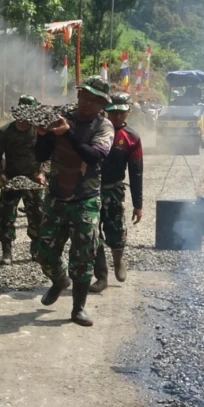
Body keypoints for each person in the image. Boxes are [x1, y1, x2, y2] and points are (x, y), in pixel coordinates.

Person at [33, 76, 114, 327]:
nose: (87, 103)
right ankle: (59, 279)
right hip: (56, 196)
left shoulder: (104, 127)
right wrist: (44, 135)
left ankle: (78, 308)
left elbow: (93, 157)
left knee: (83, 256)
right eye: (84, 97)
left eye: (95, 100)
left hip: (86, 200)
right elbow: (40, 154)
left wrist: (67, 134)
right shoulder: (62, 115)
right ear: (78, 95)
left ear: (102, 104)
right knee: (42, 251)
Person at [90, 92, 144, 292]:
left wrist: (138, 205)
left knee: (116, 229)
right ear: (106, 111)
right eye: (113, 113)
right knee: (92, 233)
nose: (117, 117)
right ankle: (101, 276)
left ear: (128, 111)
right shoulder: (95, 131)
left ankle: (119, 260)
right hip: (92, 189)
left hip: (114, 189)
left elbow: (136, 172)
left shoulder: (131, 137)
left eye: (121, 112)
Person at [0, 95, 45, 265]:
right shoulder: (4, 132)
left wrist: (42, 173)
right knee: (6, 216)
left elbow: (49, 155)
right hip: (11, 179)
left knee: (37, 216)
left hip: (34, 179)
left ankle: (36, 249)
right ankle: (7, 251)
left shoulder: (40, 132)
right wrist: (2, 175)